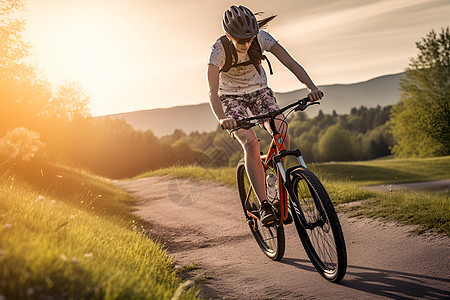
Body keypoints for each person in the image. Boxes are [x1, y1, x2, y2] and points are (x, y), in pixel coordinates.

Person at [207, 5, 323, 225]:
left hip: (259, 91)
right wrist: (222, 118)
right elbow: (213, 92)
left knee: (282, 129)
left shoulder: (262, 38)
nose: (248, 43)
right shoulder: (218, 51)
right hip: (230, 98)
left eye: (250, 38)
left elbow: (290, 62)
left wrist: (311, 87)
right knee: (250, 142)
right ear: (229, 36)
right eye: (242, 41)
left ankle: (281, 187)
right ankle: (264, 205)